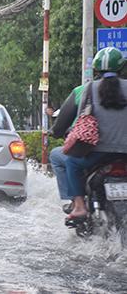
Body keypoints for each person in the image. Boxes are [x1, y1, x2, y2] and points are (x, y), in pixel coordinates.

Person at [64, 47, 127, 224]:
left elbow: (81, 118)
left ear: (96, 70)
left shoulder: (89, 88)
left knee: (71, 163)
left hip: (98, 153)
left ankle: (79, 206)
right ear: (122, 68)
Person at [48, 84, 85, 213]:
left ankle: (75, 202)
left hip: (93, 153)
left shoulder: (84, 91)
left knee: (64, 158)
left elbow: (61, 123)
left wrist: (55, 132)